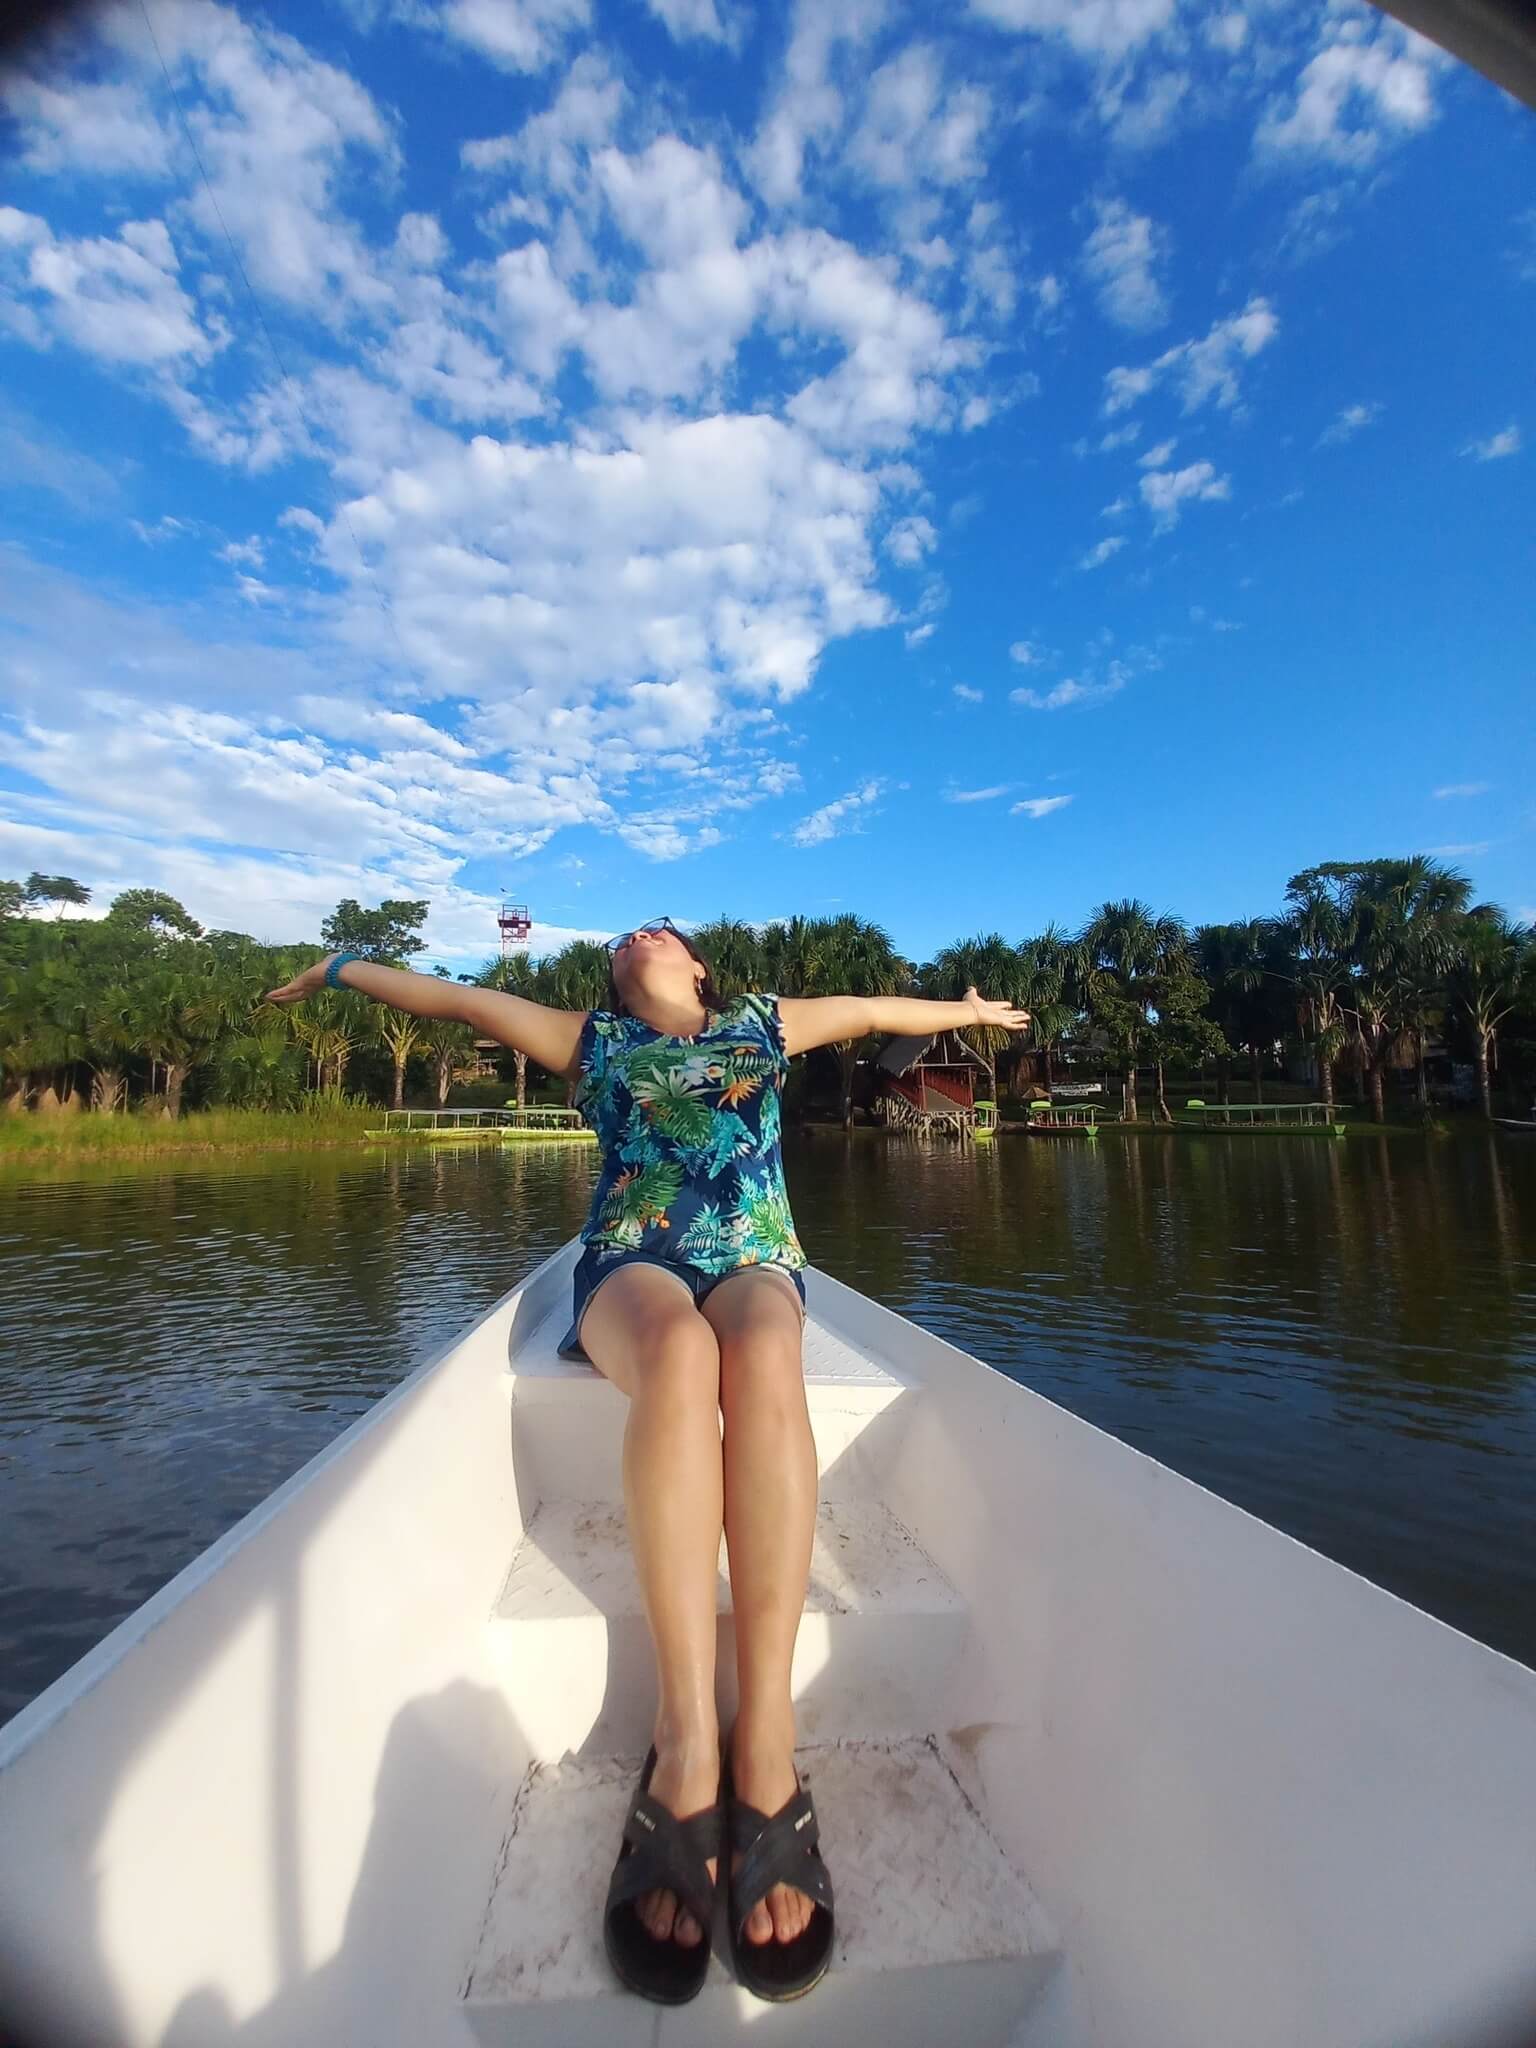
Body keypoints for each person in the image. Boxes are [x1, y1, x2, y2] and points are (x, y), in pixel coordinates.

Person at [264, 922, 1030, 2004]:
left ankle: (764, 1732)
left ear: (698, 968)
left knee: (763, 1348)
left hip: (756, 1258)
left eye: (658, 928)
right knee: (680, 1354)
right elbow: (452, 998)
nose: (639, 935)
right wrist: (338, 967)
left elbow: (869, 1011)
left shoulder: (764, 1024)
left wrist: (972, 1014)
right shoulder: (592, 1039)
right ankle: (685, 1739)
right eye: (626, 937)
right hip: (635, 1263)